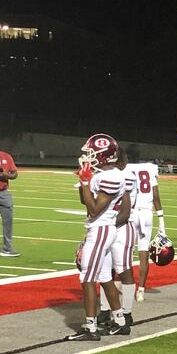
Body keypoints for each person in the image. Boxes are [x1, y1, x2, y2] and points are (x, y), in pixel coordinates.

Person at [66, 133, 130, 341]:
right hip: (102, 229)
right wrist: (83, 181)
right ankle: (120, 322)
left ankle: (90, 327)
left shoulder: (112, 177)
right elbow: (85, 202)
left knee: (87, 278)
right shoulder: (104, 174)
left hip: (101, 229)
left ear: (103, 155)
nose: (88, 156)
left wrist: (86, 182)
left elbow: (94, 209)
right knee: (104, 277)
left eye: (92, 153)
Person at [98, 149, 137, 327]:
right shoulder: (110, 176)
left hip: (122, 227)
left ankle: (127, 313)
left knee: (124, 270)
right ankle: (105, 309)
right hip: (109, 225)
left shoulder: (124, 176)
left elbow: (124, 211)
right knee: (104, 271)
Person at [126, 158, 165, 302]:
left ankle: (127, 286)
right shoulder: (150, 169)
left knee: (126, 252)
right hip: (146, 214)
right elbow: (156, 197)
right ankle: (141, 290)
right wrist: (161, 221)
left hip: (130, 213)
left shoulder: (126, 168)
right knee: (143, 253)